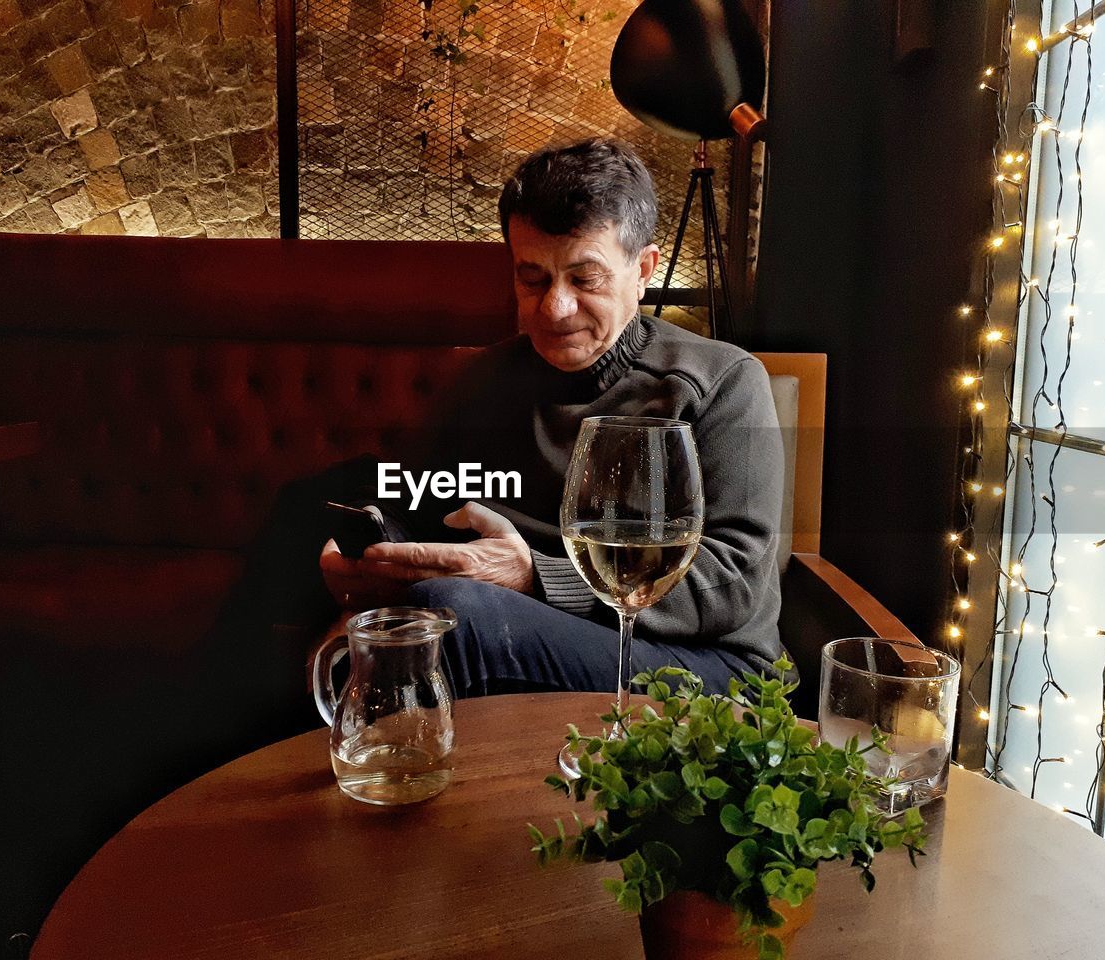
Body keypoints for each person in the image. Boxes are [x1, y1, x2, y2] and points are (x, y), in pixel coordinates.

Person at [213, 138, 785, 739]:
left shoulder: (721, 381)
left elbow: (736, 582)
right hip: (535, 631)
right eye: (532, 279)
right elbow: (424, 507)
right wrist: (361, 594)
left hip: (707, 666)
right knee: (304, 514)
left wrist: (536, 574)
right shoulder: (484, 382)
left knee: (461, 616)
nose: (555, 308)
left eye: (584, 278)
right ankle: (221, 786)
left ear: (643, 270)